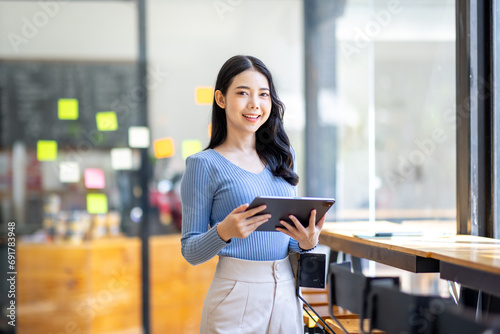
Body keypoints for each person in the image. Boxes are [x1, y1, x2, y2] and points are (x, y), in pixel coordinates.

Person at [180, 55, 326, 334]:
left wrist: (307, 242)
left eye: (263, 95)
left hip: (285, 291)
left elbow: (291, 244)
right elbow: (190, 252)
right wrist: (223, 231)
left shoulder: (283, 158)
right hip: (235, 295)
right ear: (221, 99)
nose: (254, 104)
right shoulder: (203, 164)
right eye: (243, 93)